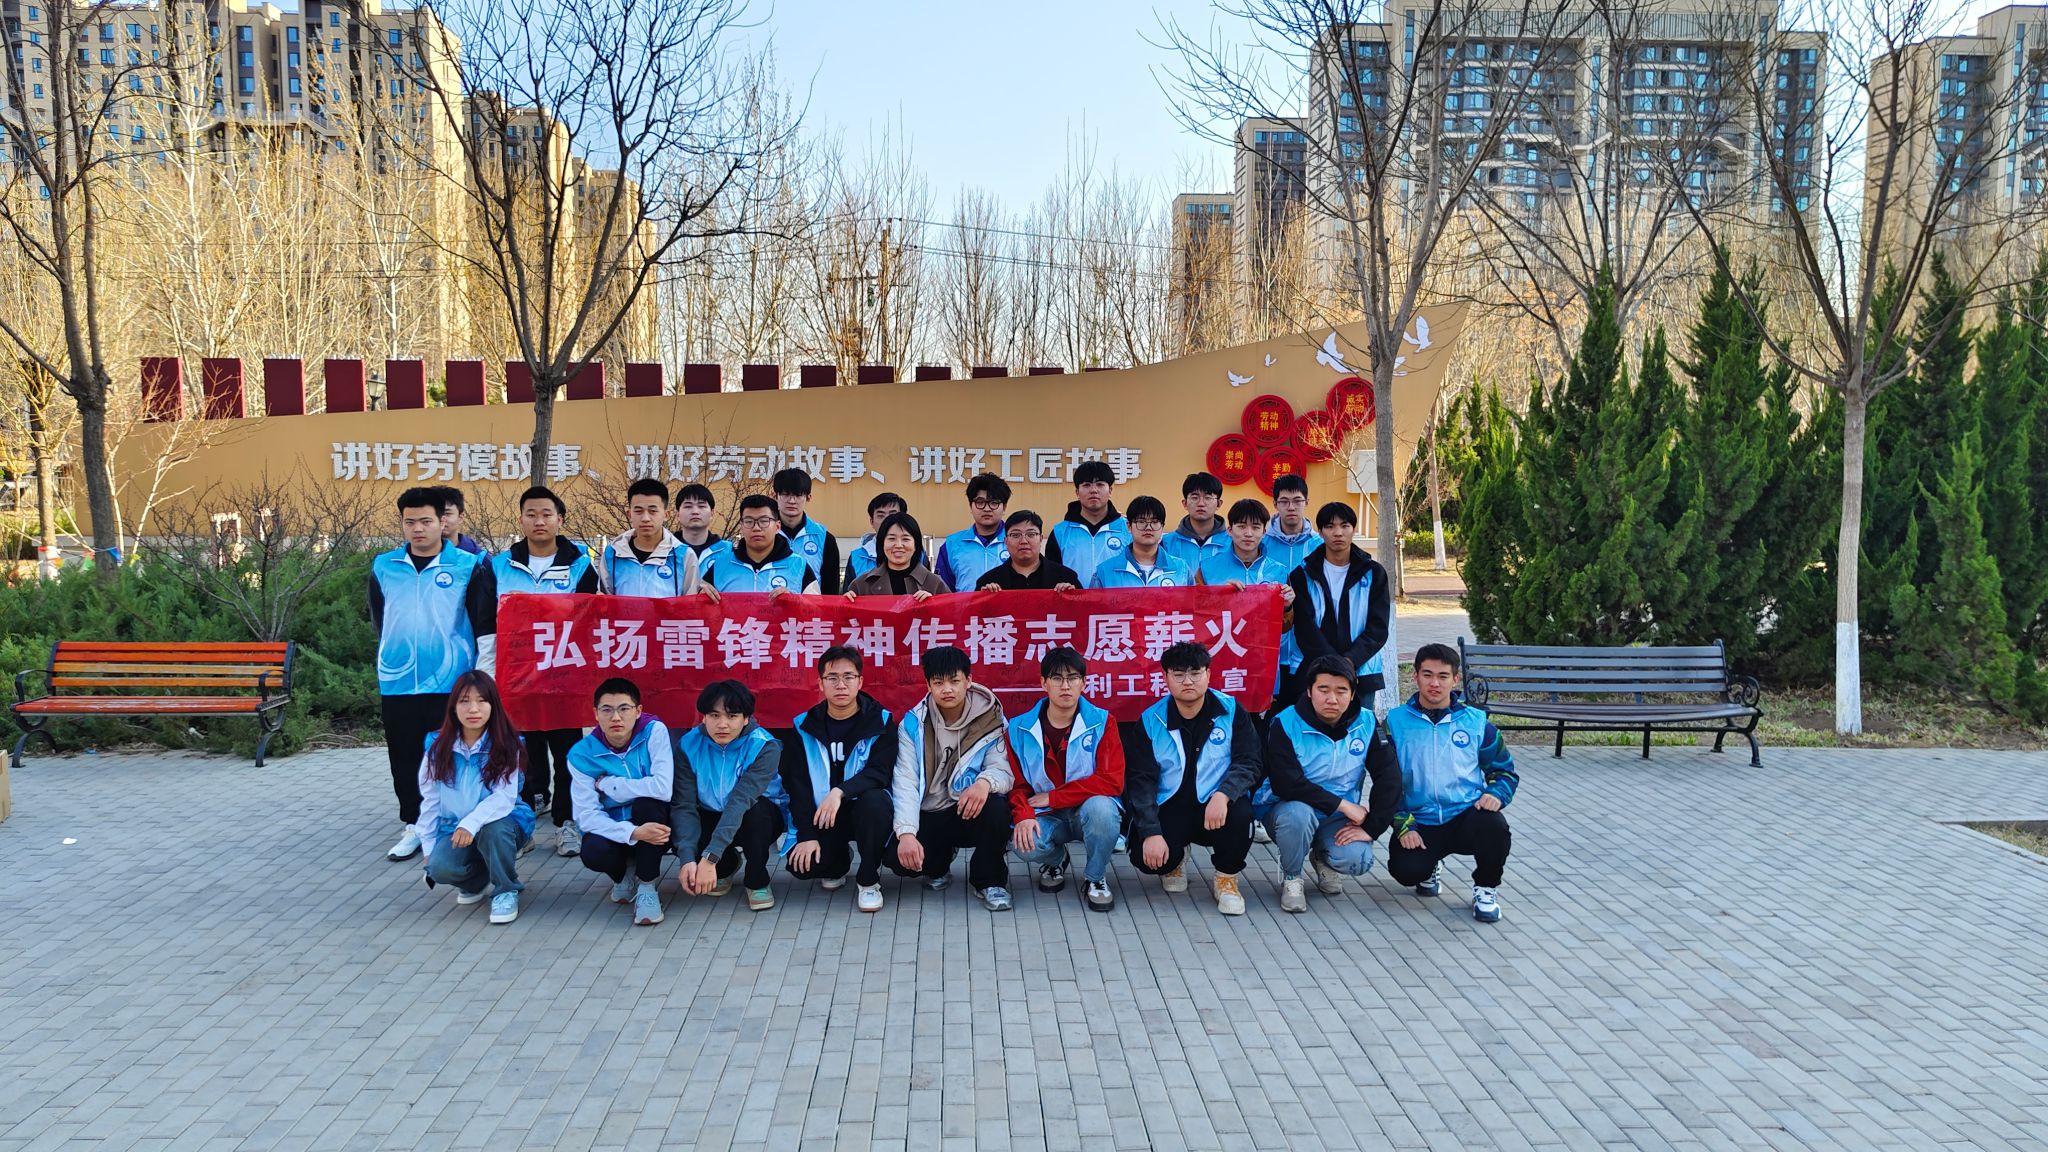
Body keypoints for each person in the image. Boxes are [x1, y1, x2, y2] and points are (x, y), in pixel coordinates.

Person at [371, 487, 497, 863]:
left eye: (425, 521)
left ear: (442, 522)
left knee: (453, 755)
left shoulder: (468, 566)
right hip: (398, 681)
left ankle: (457, 822)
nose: (418, 529)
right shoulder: (384, 566)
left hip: (452, 682)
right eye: (409, 522)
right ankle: (414, 824)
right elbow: (381, 619)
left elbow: (484, 625)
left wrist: (482, 677)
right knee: (404, 754)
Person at [489, 485, 600, 857]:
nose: (539, 521)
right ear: (521, 519)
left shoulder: (581, 565)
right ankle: (522, 826)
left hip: (563, 674)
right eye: (531, 514)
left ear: (560, 519)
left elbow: (588, 619)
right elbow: (487, 621)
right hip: (517, 676)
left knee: (567, 752)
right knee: (522, 753)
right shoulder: (499, 565)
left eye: (547, 514)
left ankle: (567, 823)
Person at [1384, 644, 1517, 923]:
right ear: (1415, 676)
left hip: (1465, 815)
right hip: (1421, 820)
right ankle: (1430, 865)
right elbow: (1386, 782)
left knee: (1495, 827)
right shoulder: (1395, 722)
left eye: (1443, 676)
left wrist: (1496, 793)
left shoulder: (1477, 722)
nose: (1435, 683)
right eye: (1427, 675)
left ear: (1455, 679)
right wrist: (1404, 823)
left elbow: (1504, 771)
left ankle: (1486, 888)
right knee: (1406, 871)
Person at [1126, 642, 1261, 915]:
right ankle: (1175, 861)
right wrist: (1151, 832)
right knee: (1145, 857)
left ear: (1208, 674)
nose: (1187, 681)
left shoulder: (1231, 710)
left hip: (1216, 805)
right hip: (1171, 806)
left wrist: (1224, 794)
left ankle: (1226, 878)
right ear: (1165, 678)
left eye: (1195, 673)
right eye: (1178, 674)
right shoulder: (1151, 720)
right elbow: (1141, 781)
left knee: (1241, 815)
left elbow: (1249, 762)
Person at [1260, 656, 1401, 913]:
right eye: (1323, 690)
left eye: (1341, 691)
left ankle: (1322, 856)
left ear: (1353, 693)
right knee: (1298, 815)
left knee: (1358, 860)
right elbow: (1287, 783)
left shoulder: (1368, 723)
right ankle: (1292, 877)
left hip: (1335, 818)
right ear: (1309, 691)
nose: (1332, 699)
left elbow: (1388, 777)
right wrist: (1345, 806)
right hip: (1288, 809)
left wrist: (1372, 827)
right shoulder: (1285, 722)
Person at [887, 645, 1015, 910]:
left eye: (954, 681)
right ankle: (940, 862)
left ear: (968, 680)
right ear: (928, 685)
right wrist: (907, 833)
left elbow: (1003, 770)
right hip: (931, 812)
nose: (947, 689)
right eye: (938, 682)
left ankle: (989, 880)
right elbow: (906, 781)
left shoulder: (991, 717)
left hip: (969, 807)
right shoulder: (912, 724)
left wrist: (984, 783)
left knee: (997, 808)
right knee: (898, 861)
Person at [781, 647, 899, 912]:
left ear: (860, 682)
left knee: (875, 801)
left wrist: (840, 791)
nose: (841, 685)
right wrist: (806, 835)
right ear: (820, 683)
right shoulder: (804, 726)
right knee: (804, 866)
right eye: (832, 678)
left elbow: (880, 772)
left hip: (865, 811)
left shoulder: (880, 720)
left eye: (848, 677)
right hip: (823, 814)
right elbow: (797, 786)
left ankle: (868, 880)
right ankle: (837, 862)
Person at [1007, 647, 1123, 911]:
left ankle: (1095, 877)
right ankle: (1056, 859)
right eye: (1057, 678)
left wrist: (1055, 797)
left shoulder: (1103, 722)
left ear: (1084, 682)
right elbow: (1016, 785)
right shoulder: (1018, 728)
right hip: (1047, 815)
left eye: (1073, 678)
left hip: (1086, 812)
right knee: (1024, 843)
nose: (1065, 686)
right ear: (1043, 683)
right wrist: (1023, 815)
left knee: (1103, 812)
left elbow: (1111, 781)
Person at [416, 671, 535, 925]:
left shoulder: (507, 744)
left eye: (482, 701)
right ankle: (476, 881)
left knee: (493, 830)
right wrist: (428, 846)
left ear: (493, 705)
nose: (473, 709)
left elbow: (503, 798)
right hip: (454, 827)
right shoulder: (436, 747)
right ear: (453, 707)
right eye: (464, 701)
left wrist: (471, 823)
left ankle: (506, 889)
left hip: (504, 822)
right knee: (439, 867)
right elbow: (430, 801)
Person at [566, 677, 674, 927]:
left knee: (649, 804)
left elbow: (662, 789)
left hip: (655, 820)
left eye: (624, 708)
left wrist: (608, 784)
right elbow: (586, 816)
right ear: (595, 713)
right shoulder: (581, 754)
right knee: (592, 851)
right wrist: (632, 833)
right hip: (615, 829)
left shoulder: (653, 731)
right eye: (607, 710)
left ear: (638, 711)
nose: (616, 717)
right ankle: (622, 876)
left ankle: (647, 887)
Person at [672, 680, 786, 912]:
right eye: (714, 715)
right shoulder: (687, 744)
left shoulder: (764, 745)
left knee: (757, 813)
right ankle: (726, 866)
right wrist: (687, 859)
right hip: (711, 813)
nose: (722, 724)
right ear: (704, 717)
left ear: (745, 719)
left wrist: (709, 857)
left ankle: (757, 880)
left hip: (754, 815)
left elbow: (740, 801)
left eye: (732, 716)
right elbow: (684, 804)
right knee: (678, 822)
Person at [1286, 501, 1392, 697]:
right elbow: (1304, 627)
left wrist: (1350, 661)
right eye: (1330, 526)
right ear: (1319, 532)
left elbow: (1378, 627)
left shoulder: (1373, 573)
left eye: (1345, 526)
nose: (1338, 533)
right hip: (1314, 671)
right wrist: (1332, 664)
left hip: (1361, 671)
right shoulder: (1302, 574)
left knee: (1359, 719)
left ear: (1354, 529)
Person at [704, 494, 821, 594]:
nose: (756, 528)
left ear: (777, 526)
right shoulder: (720, 565)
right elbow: (701, 606)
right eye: (749, 521)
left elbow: (816, 609)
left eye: (764, 521)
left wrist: (795, 602)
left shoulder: (799, 566)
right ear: (741, 527)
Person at [601, 478, 698, 597]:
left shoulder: (684, 555)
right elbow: (603, 602)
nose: (645, 518)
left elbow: (691, 603)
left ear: (666, 515)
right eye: (638, 511)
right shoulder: (612, 554)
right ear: (629, 514)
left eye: (653, 511)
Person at [1045, 459, 1129, 579]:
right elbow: (1051, 575)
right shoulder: (1060, 532)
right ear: (1077, 492)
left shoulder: (1128, 530)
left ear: (1110, 490)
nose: (1093, 490)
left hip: (1118, 592)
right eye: (1086, 485)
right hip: (1073, 592)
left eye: (1100, 484)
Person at [1088, 496, 1194, 589]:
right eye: (1141, 522)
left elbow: (1192, 605)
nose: (1148, 527)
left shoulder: (1181, 570)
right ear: (1129, 526)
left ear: (1162, 526)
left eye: (1154, 522)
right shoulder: (1105, 571)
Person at [932, 473, 1010, 592]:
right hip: (964, 605)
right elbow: (942, 591)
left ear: (1004, 507)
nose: (987, 508)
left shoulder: (1016, 542)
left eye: (994, 502)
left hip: (1007, 605)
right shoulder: (951, 545)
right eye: (980, 502)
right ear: (970, 506)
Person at [844, 511, 948, 599]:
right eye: (892, 538)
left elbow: (952, 613)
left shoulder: (935, 584)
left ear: (916, 544)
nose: (898, 545)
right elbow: (845, 616)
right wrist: (845, 604)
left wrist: (934, 604)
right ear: (882, 543)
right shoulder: (861, 585)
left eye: (905, 539)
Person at [773, 467, 842, 595]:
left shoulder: (824, 538)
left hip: (811, 606)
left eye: (798, 495)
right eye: (786, 494)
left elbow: (831, 588)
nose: (792, 501)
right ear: (775, 496)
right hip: (771, 606)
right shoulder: (765, 535)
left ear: (808, 497)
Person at [978, 511, 1081, 591]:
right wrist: (984, 598)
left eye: (1031, 534)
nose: (1024, 541)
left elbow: (1083, 609)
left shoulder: (1066, 577)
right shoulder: (988, 581)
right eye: (1015, 535)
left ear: (1040, 539)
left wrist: (1072, 596)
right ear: (1006, 541)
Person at [1162, 471, 1230, 572]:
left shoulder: (1232, 543)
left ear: (1219, 504)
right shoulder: (1166, 543)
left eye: (1208, 498)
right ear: (1185, 503)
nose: (1201, 503)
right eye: (1194, 497)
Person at [672, 482, 734, 580]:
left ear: (712, 513)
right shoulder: (665, 551)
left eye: (701, 506)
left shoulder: (728, 551)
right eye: (688, 506)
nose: (695, 512)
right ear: (677, 514)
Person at [843, 492, 907, 586]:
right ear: (872, 522)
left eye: (892, 515)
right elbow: (849, 592)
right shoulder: (856, 558)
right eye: (880, 516)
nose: (887, 520)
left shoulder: (918, 554)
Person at [1264, 475, 1316, 573]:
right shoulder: (1261, 543)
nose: (1291, 507)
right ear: (1275, 504)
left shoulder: (1320, 544)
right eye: (1284, 501)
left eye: (1297, 501)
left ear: (1306, 502)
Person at [436, 486, 486, 555]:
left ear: (460, 517)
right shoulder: (420, 555)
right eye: (435, 513)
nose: (441, 519)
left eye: (447, 513)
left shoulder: (476, 557)